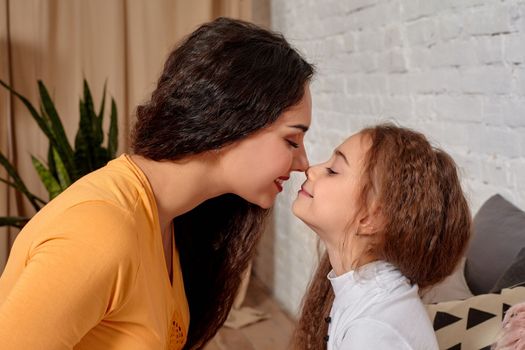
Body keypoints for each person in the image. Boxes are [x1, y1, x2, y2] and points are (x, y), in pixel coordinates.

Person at [0, 17, 314, 350]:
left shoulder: (170, 220)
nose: (303, 163)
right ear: (230, 120)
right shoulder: (98, 232)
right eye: (292, 141)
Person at [291, 124, 472, 349]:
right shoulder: (365, 298)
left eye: (333, 170)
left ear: (371, 218)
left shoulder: (373, 330)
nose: (312, 169)